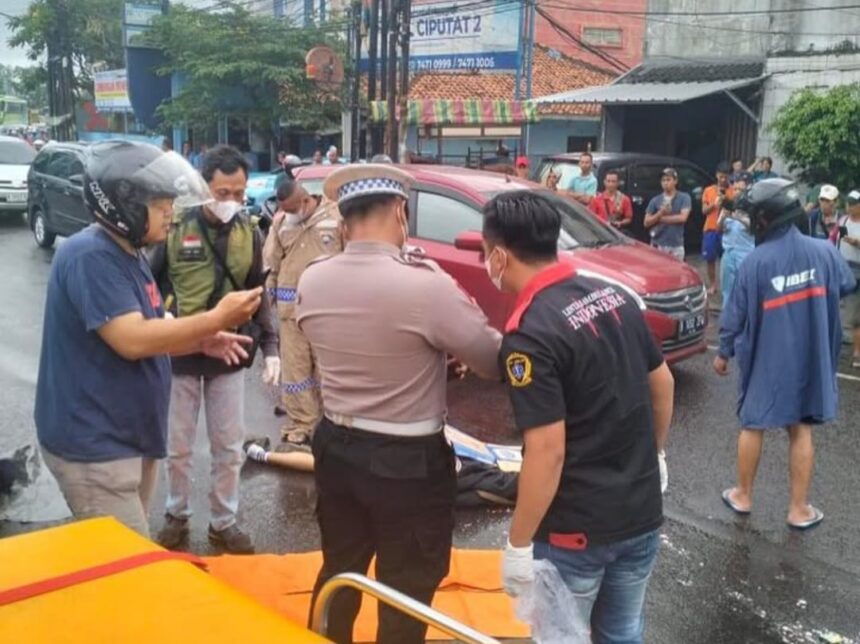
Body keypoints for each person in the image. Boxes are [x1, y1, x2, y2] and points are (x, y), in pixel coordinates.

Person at [296, 164, 502, 644]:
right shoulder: (425, 284)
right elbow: (492, 359)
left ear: (344, 223)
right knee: (405, 586)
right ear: (400, 212)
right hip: (408, 462)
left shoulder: (313, 279)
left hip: (337, 448)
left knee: (340, 570)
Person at [34, 141, 262, 538]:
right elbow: (133, 339)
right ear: (124, 207)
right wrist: (215, 318)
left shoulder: (130, 252)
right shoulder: (91, 255)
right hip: (96, 449)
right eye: (161, 207)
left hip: (126, 440)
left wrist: (200, 341)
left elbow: (152, 325)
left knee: (122, 564)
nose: (171, 215)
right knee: (123, 570)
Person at [487, 191, 674, 642]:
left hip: (577, 531)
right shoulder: (613, 295)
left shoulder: (530, 334)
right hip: (641, 510)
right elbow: (662, 383)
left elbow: (548, 452)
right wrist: (656, 454)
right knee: (622, 633)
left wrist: (517, 543)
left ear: (498, 256)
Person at [150, 145, 279, 554]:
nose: (232, 202)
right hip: (181, 354)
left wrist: (271, 346)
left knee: (228, 446)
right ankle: (176, 515)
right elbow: (149, 285)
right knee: (179, 446)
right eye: (223, 193)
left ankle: (224, 522)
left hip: (230, 356)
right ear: (204, 186)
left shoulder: (250, 232)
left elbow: (259, 290)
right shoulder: (173, 229)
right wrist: (167, 324)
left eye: (239, 193)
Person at [715, 179, 856, 530]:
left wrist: (723, 352)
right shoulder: (825, 251)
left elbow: (734, 314)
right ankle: (798, 509)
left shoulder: (755, 262)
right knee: (801, 429)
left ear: (768, 218)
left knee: (753, 424)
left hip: (766, 360)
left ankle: (743, 495)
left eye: (755, 217)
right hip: (811, 360)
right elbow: (845, 284)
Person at [264, 179, 343, 449]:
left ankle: (331, 423)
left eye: (293, 208)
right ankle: (301, 424)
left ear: (306, 200)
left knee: (328, 369)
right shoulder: (281, 222)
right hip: (290, 310)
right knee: (296, 371)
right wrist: (268, 295)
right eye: (285, 210)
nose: (290, 214)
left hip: (328, 310)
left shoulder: (335, 217)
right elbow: (271, 263)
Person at [831, 190, 860, 368]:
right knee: (838, 307)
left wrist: (857, 242)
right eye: (848, 203)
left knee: (857, 314)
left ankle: (857, 352)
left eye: (853, 203)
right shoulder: (843, 221)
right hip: (842, 267)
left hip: (859, 269)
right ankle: (839, 348)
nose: (850, 207)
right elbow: (832, 239)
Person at [718, 172, 754, 305]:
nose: (737, 192)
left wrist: (737, 217)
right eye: (735, 189)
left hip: (746, 254)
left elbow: (754, 229)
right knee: (727, 291)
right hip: (728, 252)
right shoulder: (728, 204)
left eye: (741, 189)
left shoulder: (752, 207)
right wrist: (723, 218)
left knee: (744, 291)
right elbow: (719, 228)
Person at [644, 167, 692, 261]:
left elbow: (683, 218)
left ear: (675, 181)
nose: (665, 183)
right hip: (658, 244)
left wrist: (660, 219)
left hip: (676, 244)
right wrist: (660, 213)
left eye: (668, 180)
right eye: (663, 180)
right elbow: (646, 222)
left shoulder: (684, 197)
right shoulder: (655, 200)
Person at [701, 162, 734, 295]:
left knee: (727, 259)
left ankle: (726, 285)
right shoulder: (708, 190)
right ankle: (713, 285)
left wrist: (726, 201)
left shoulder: (733, 191)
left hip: (727, 230)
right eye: (721, 177)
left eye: (725, 177)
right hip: (710, 229)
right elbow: (704, 211)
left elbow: (736, 210)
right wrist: (714, 204)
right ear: (716, 175)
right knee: (710, 259)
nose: (723, 180)